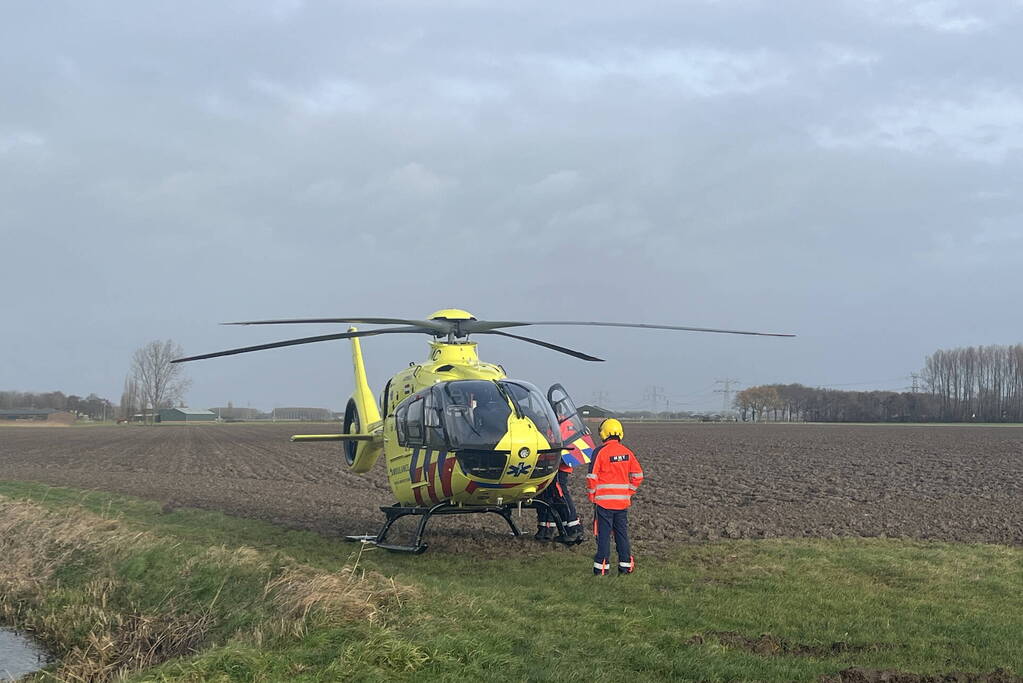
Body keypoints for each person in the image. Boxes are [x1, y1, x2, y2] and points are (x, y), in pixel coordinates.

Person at [587, 418, 643, 575]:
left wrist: (592, 495)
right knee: (622, 535)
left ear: (603, 433)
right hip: (622, 503)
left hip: (604, 504)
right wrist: (628, 492)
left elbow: (592, 477)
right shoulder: (627, 452)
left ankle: (601, 568)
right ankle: (625, 566)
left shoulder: (600, 452)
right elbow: (638, 476)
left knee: (603, 536)